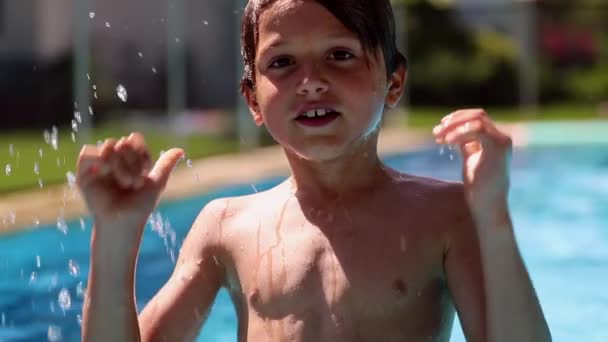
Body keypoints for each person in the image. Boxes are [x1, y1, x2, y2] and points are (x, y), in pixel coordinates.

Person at [78, 0, 551, 341]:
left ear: (394, 81)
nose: (311, 82)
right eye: (282, 63)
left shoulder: (446, 217)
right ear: (253, 101)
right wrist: (115, 238)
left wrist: (493, 217)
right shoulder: (226, 228)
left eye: (340, 55)